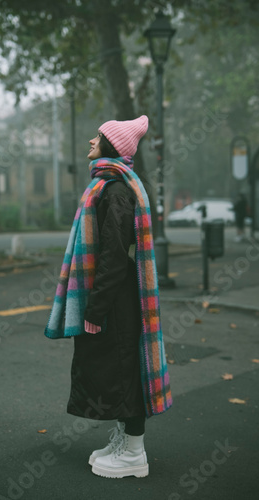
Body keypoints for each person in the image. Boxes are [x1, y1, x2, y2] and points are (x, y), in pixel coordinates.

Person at [44, 115, 172, 479]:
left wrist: (96, 308)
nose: (90, 140)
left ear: (111, 146)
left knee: (122, 369)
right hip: (115, 295)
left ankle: (134, 453)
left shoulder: (115, 190)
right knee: (117, 367)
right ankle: (124, 440)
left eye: (97, 136)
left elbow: (114, 256)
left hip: (115, 299)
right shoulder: (108, 184)